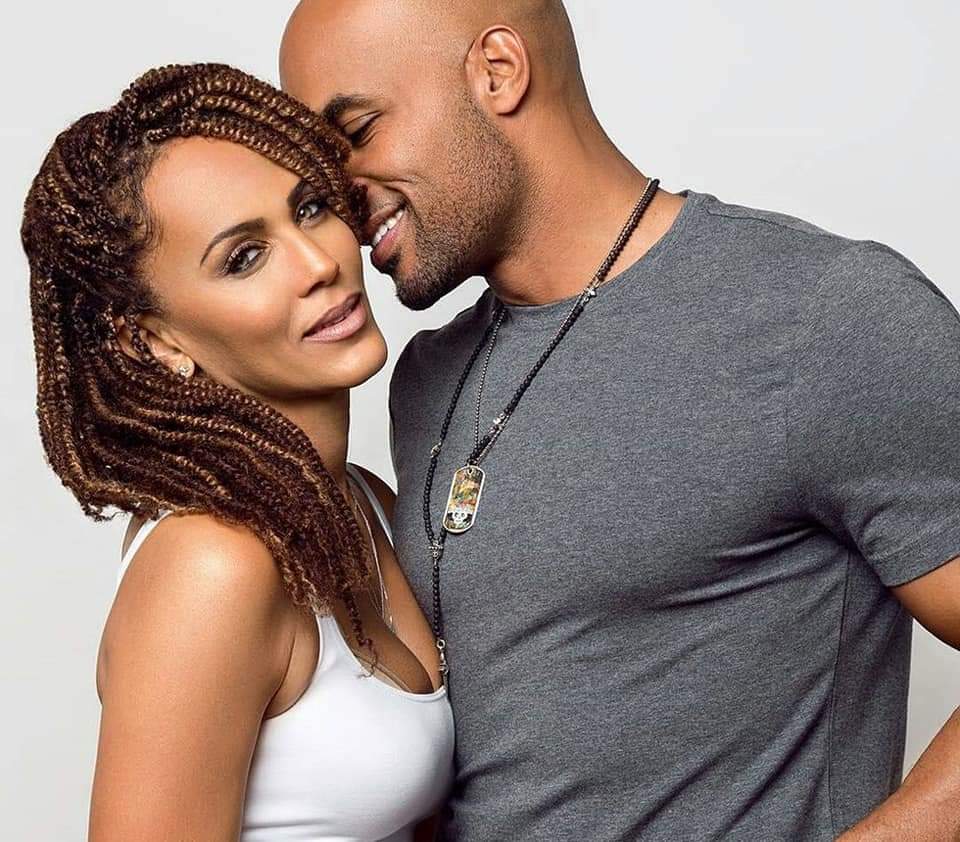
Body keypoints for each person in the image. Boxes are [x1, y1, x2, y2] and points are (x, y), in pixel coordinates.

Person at [279, 1, 960, 839]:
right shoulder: (426, 379)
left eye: (357, 131)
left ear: (498, 72)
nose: (339, 199)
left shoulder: (820, 315)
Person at [21, 63, 453, 841]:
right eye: (244, 258)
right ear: (154, 341)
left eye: (310, 208)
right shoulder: (211, 567)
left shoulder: (365, 504)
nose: (319, 262)